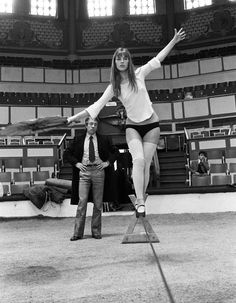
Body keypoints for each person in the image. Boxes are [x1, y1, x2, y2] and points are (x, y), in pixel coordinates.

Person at [67, 28, 186, 217]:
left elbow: (158, 59)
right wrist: (73, 118)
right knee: (137, 160)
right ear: (114, 62)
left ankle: (141, 199)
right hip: (133, 126)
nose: (122, 61)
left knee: (146, 163)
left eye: (125, 58)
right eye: (118, 59)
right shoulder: (114, 87)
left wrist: (173, 41)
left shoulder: (139, 74)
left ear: (129, 61)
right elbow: (95, 107)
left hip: (152, 124)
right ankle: (140, 201)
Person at [63, 117, 119, 241]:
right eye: (90, 124)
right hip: (84, 173)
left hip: (99, 172)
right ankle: (78, 233)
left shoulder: (104, 139)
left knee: (98, 204)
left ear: (97, 126)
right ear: (86, 125)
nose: (93, 126)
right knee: (81, 203)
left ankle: (96, 232)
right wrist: (76, 163)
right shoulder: (78, 139)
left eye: (95, 124)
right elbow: (66, 153)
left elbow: (115, 152)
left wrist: (107, 163)